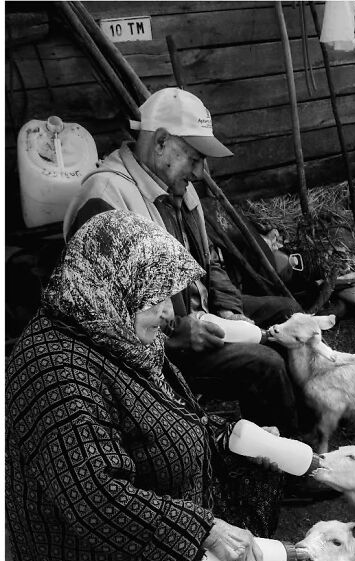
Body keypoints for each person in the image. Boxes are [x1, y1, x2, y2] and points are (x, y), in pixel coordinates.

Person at [5, 210, 328, 561]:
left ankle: (257, 560)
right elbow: (92, 497)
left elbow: (170, 415)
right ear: (113, 286)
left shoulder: (113, 328)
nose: (166, 311)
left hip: (154, 495)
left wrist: (231, 436)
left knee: (253, 470)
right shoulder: (54, 371)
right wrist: (203, 531)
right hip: (100, 550)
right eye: (154, 298)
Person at [62, 87, 304, 438]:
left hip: (201, 312)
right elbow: (95, 315)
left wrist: (230, 307)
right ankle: (283, 467)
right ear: (160, 142)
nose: (201, 171)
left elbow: (211, 263)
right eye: (194, 158)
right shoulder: (106, 200)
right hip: (159, 351)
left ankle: (312, 424)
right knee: (264, 364)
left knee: (288, 312)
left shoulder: (179, 188)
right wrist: (175, 336)